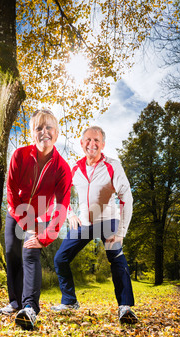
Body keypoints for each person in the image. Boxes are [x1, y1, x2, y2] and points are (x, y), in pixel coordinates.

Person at [52, 125, 138, 324]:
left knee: (115, 256)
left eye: (96, 140)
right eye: (88, 140)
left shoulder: (112, 165)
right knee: (60, 258)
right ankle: (69, 301)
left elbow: (127, 198)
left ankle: (125, 307)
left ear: (103, 145)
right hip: (84, 223)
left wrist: (121, 231)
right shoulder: (75, 168)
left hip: (108, 219)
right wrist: (70, 214)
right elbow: (61, 194)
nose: (92, 144)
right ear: (82, 144)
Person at [0, 109, 72, 330]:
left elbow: (62, 207)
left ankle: (30, 308)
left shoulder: (62, 168)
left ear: (57, 134)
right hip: (16, 211)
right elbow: (10, 190)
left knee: (30, 252)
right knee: (12, 252)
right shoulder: (19, 156)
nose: (44, 132)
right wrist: (23, 222)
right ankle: (16, 302)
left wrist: (45, 237)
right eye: (39, 128)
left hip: (41, 213)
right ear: (32, 133)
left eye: (49, 127)